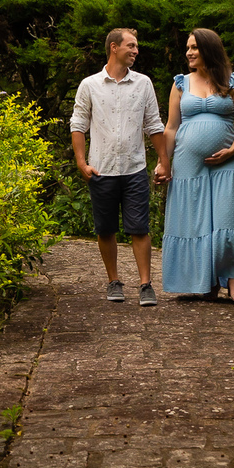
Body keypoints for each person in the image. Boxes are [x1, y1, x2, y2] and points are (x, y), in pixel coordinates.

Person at [154, 28, 234, 303]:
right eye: (188, 47)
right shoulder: (180, 84)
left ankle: (233, 282)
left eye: (195, 47)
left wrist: (233, 149)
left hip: (228, 161)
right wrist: (164, 163)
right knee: (193, 223)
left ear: (209, 49)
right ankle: (204, 282)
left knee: (228, 221)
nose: (189, 52)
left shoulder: (233, 82)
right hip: (188, 163)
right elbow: (172, 127)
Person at [71, 28, 168, 306]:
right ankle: (114, 281)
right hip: (101, 168)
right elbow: (78, 125)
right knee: (105, 229)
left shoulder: (143, 84)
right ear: (114, 47)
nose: (136, 51)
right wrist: (81, 163)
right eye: (131, 46)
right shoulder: (89, 85)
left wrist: (163, 160)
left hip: (134, 168)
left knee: (140, 228)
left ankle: (145, 285)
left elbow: (154, 124)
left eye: (136, 47)